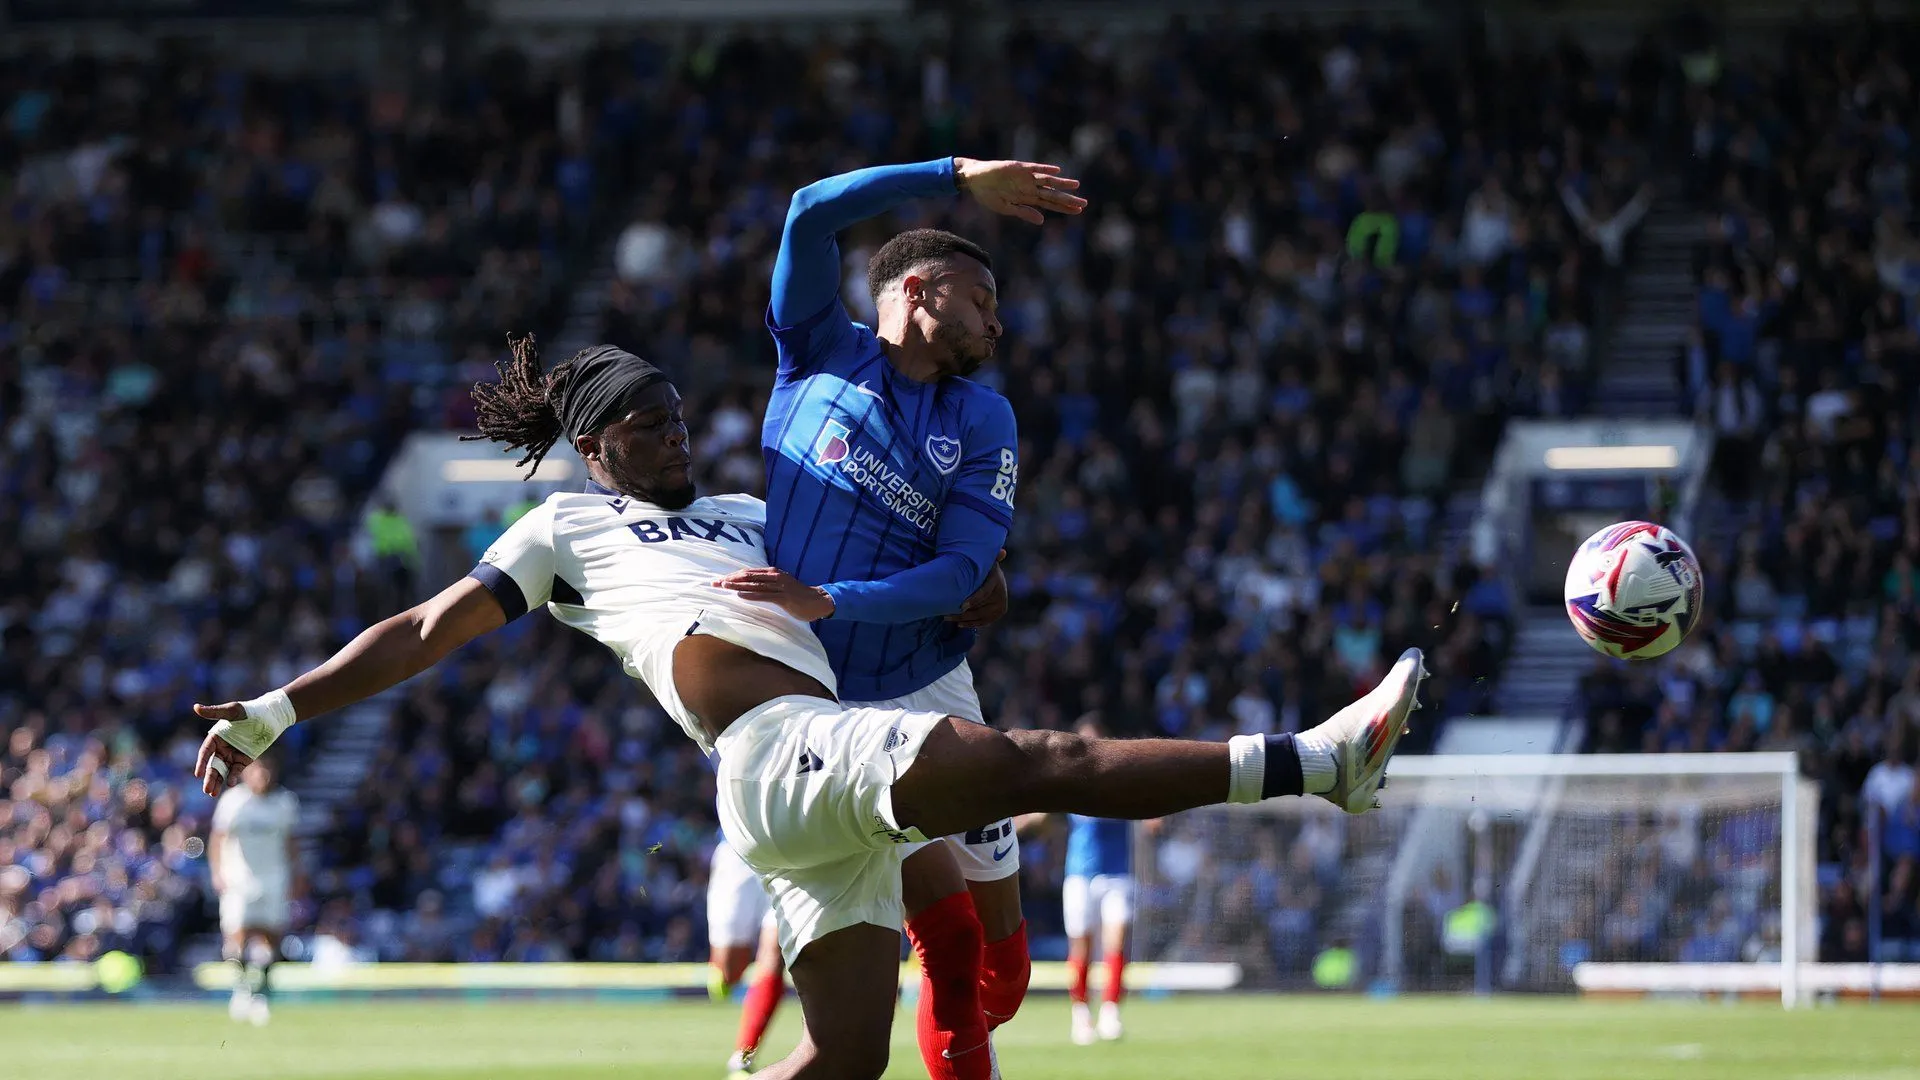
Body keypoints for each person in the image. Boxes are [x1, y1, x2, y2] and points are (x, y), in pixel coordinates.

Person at [192, 340, 1425, 1080]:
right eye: (647, 425)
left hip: (809, 770)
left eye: (680, 416)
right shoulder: (565, 528)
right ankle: (1319, 762)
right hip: (780, 751)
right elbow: (422, 631)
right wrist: (276, 710)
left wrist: (973, 590)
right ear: (593, 444)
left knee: (844, 1057)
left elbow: (901, 588)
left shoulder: (754, 513)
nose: (676, 436)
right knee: (1040, 758)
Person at [741, 154, 1083, 1079]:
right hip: (823, 706)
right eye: (983, 301)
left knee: (1004, 969)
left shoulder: (983, 417)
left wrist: (833, 598)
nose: (998, 323)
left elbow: (963, 570)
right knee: (947, 938)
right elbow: (809, 210)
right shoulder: (817, 349)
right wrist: (956, 174)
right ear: (921, 290)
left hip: (930, 684)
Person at [1018, 715, 1140, 1045]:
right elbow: (1045, 817)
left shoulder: (1122, 781)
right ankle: (1081, 1013)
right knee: (1081, 947)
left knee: (1116, 943)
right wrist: (1013, 824)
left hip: (1117, 873)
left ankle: (1111, 1012)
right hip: (1080, 874)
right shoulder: (1069, 782)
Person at [208, 760, 300, 1026]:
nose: (262, 775)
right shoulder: (232, 801)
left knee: (271, 936)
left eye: (266, 770)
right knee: (236, 936)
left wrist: (296, 875)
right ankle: (241, 988)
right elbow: (218, 838)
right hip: (238, 877)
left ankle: (261, 992)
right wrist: (217, 872)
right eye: (257, 770)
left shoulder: (285, 802)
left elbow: (291, 841)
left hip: (274, 876)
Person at [705, 831, 787, 1079]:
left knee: (774, 955)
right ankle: (723, 973)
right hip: (739, 849)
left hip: (791, 852)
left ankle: (742, 1058)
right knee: (730, 972)